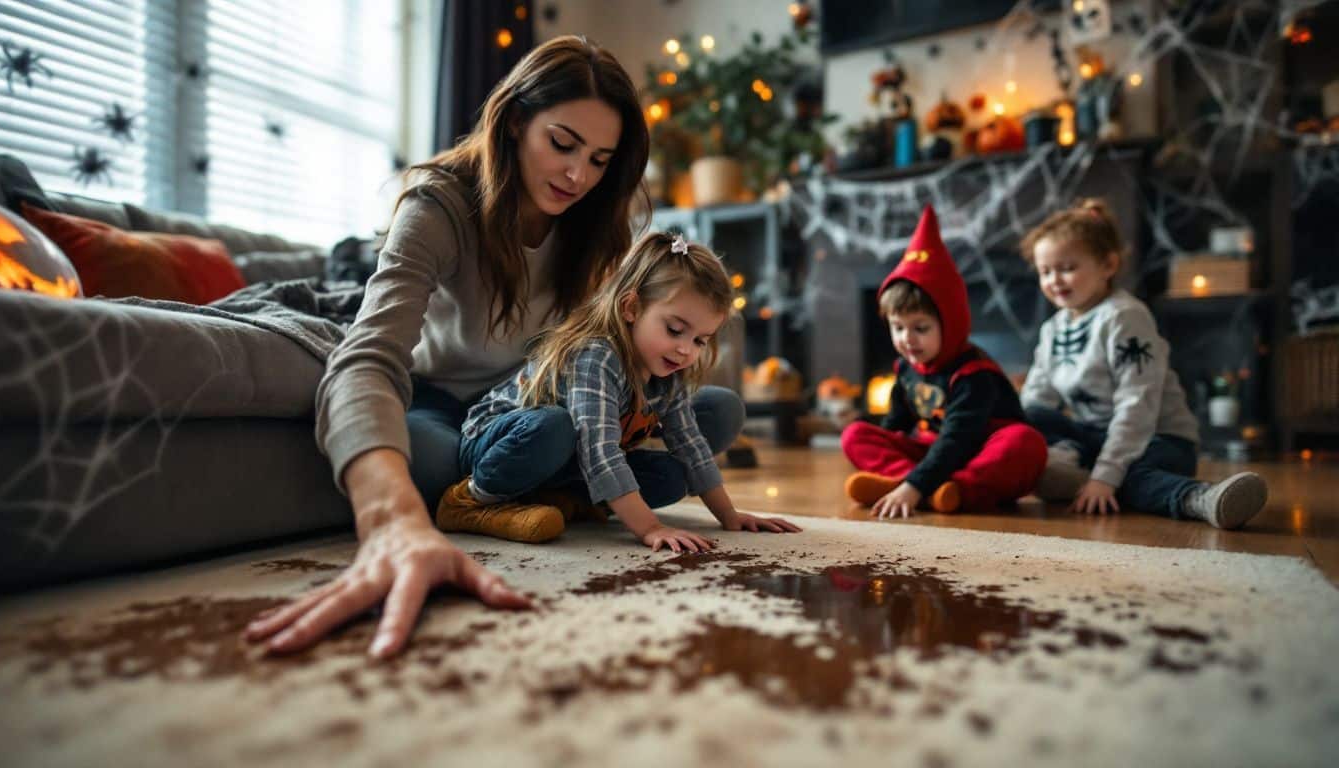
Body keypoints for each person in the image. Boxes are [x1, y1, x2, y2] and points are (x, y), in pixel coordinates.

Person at [245, 37, 745, 659]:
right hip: (443, 403)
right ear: (513, 122)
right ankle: (536, 487)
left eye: (598, 160)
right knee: (430, 465)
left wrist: (657, 377)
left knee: (715, 410)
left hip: (539, 400)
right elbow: (367, 358)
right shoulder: (439, 204)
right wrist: (391, 522)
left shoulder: (594, 223)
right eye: (562, 145)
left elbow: (606, 353)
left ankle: (552, 482)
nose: (577, 175)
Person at [437, 231, 801, 549]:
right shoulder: (595, 356)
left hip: (564, 463)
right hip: (500, 442)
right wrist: (650, 527)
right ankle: (470, 502)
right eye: (675, 330)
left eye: (701, 340)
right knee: (554, 427)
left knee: (673, 476)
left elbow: (690, 445)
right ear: (631, 307)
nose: (686, 350)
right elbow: (599, 451)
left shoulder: (668, 370)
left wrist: (729, 515)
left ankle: (562, 499)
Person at [1019, 199, 1267, 528]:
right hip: (1098, 437)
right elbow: (1037, 398)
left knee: (1132, 478)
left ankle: (1199, 498)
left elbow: (1138, 404)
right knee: (1030, 415)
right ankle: (1088, 483)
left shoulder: (1124, 317)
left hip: (1157, 438)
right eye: (1045, 271)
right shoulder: (1053, 329)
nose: (1055, 280)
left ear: (1108, 265)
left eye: (1067, 268)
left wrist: (1106, 476)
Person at [841, 205, 1047, 518]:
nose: (907, 339)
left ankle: (950, 489)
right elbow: (896, 426)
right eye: (898, 328)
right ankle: (918, 486)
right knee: (855, 434)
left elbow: (958, 439)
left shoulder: (973, 375)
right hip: (932, 453)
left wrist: (917, 483)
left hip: (977, 453)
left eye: (920, 328)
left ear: (950, 324)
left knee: (1026, 443)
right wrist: (901, 459)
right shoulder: (906, 368)